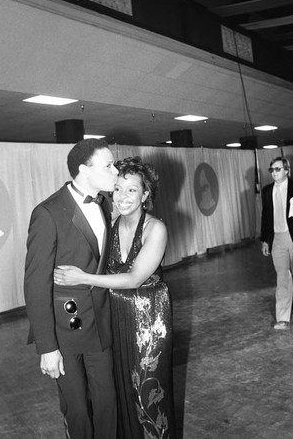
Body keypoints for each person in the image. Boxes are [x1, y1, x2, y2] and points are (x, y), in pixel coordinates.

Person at [54, 156, 175, 439]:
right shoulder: (108, 223)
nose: (122, 197)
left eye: (132, 190)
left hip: (148, 320)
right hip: (114, 318)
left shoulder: (156, 229)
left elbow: (134, 278)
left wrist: (83, 278)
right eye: (118, 189)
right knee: (118, 391)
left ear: (145, 194)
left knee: (147, 393)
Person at [24, 138, 118, 439]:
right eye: (108, 166)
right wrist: (47, 348)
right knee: (77, 409)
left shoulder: (104, 204)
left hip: (101, 323)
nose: (115, 171)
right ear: (83, 169)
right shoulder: (48, 212)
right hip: (65, 328)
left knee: (107, 402)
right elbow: (35, 285)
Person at [261, 156, 293, 330]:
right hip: (277, 239)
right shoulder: (266, 191)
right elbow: (265, 217)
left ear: (286, 170)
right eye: (271, 170)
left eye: (277, 169)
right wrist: (265, 240)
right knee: (282, 276)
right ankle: (283, 318)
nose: (274, 173)